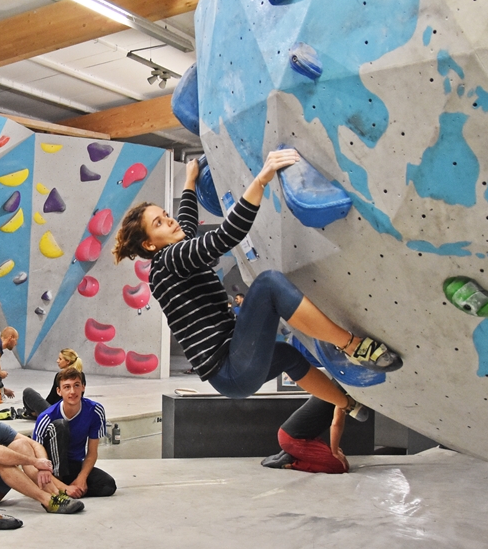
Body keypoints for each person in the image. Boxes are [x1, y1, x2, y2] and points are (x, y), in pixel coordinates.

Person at [112, 150, 402, 419]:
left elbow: (185, 223)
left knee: (288, 356)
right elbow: (225, 236)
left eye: (165, 214)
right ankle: (353, 346)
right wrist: (261, 179)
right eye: (159, 223)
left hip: (231, 374)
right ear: (149, 244)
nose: (169, 221)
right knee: (268, 284)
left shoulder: (169, 256)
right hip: (232, 367)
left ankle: (349, 406)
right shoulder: (170, 259)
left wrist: (189, 181)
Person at [0, 383, 85, 515]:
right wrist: (32, 461)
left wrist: (43, 464)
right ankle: (47, 500)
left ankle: (55, 494)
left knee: (22, 445)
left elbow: (34, 444)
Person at [32, 367, 116, 499]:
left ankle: (69, 488)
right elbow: (36, 458)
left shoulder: (95, 411)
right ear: (59, 391)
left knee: (108, 485)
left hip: (74, 465)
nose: (72, 391)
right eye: (67, 387)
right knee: (60, 425)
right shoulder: (46, 417)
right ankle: (58, 487)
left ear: (83, 387)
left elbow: (92, 452)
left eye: (76, 385)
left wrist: (81, 478)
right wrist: (61, 485)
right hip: (50, 469)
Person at [260, 397, 350, 474]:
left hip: (304, 437)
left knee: (343, 462)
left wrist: (334, 449)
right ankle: (292, 462)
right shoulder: (341, 395)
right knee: (340, 467)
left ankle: (292, 455)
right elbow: (336, 424)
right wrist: (334, 451)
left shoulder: (335, 387)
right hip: (293, 439)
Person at [20, 348, 82, 420]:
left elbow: (51, 399)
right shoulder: (81, 376)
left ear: (68, 361)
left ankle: (35, 414)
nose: (57, 361)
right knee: (31, 399)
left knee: (28, 392)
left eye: (60, 359)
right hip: (74, 412)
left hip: (57, 414)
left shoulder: (61, 376)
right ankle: (34, 413)